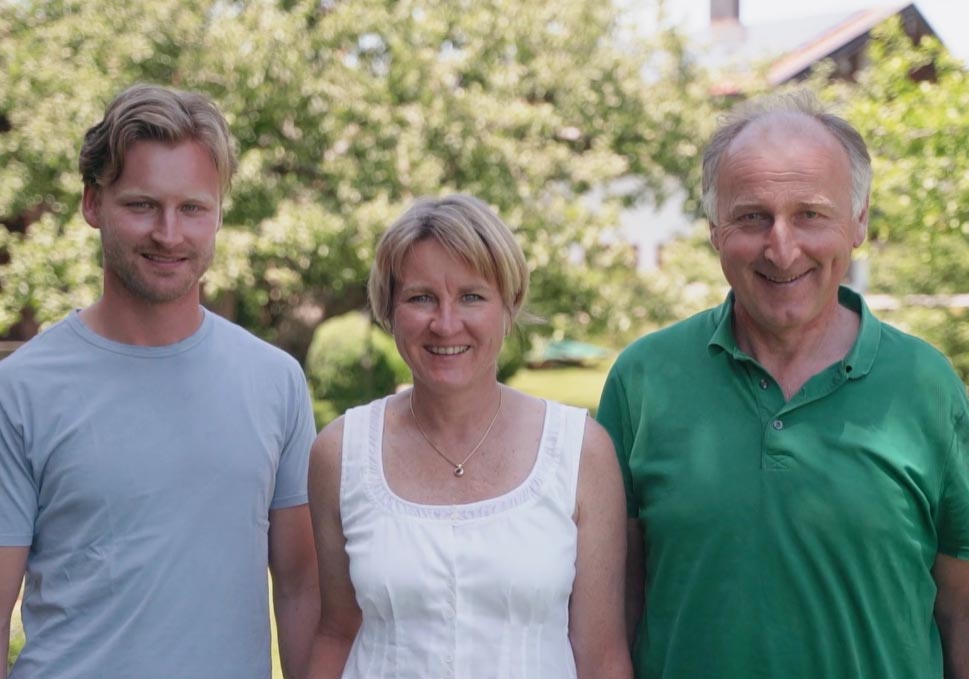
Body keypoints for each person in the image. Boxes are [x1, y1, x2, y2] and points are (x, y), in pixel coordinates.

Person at [597, 90, 969, 679]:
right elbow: (613, 614)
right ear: (715, 228)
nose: (782, 247)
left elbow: (961, 613)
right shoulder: (643, 380)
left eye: (810, 214)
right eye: (752, 216)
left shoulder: (926, 386)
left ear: (860, 221)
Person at [0, 84, 319, 679]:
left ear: (217, 214)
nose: (169, 234)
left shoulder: (276, 382)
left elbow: (301, 588)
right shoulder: (19, 391)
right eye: (142, 205)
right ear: (93, 203)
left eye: (192, 208)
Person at [306, 194, 631, 679]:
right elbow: (337, 631)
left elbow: (601, 656)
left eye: (472, 297)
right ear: (389, 310)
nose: (446, 323)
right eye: (421, 297)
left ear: (509, 305)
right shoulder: (340, 454)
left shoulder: (581, 451)